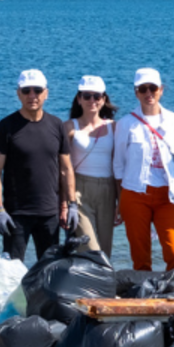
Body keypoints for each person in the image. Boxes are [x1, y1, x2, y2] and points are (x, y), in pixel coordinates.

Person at [114, 68, 174, 277]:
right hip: (134, 195)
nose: (148, 93)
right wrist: (119, 200)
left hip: (167, 197)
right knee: (140, 257)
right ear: (136, 92)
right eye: (143, 89)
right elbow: (119, 166)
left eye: (153, 88)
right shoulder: (126, 124)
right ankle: (144, 300)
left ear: (161, 90)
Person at [0, 69, 76, 262]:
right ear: (18, 93)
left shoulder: (57, 125)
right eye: (26, 90)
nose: (32, 96)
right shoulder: (6, 126)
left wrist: (71, 205)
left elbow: (66, 168)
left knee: (48, 271)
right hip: (16, 214)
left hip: (49, 214)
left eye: (37, 90)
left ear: (46, 93)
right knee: (11, 271)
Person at [65, 76, 119, 257]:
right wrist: (65, 202)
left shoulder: (114, 127)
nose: (92, 101)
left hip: (107, 189)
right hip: (79, 190)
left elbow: (119, 165)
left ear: (103, 99)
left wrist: (121, 200)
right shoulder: (69, 127)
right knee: (90, 248)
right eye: (86, 96)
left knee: (105, 250)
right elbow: (62, 167)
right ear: (79, 99)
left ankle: (100, 285)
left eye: (97, 96)